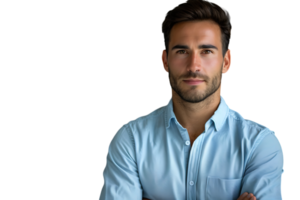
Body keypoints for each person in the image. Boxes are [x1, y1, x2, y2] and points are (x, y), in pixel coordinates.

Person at [97, 0, 285, 199]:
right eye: (182, 51)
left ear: (227, 62)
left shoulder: (260, 144)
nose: (194, 66)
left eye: (206, 51)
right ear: (164, 61)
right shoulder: (130, 140)